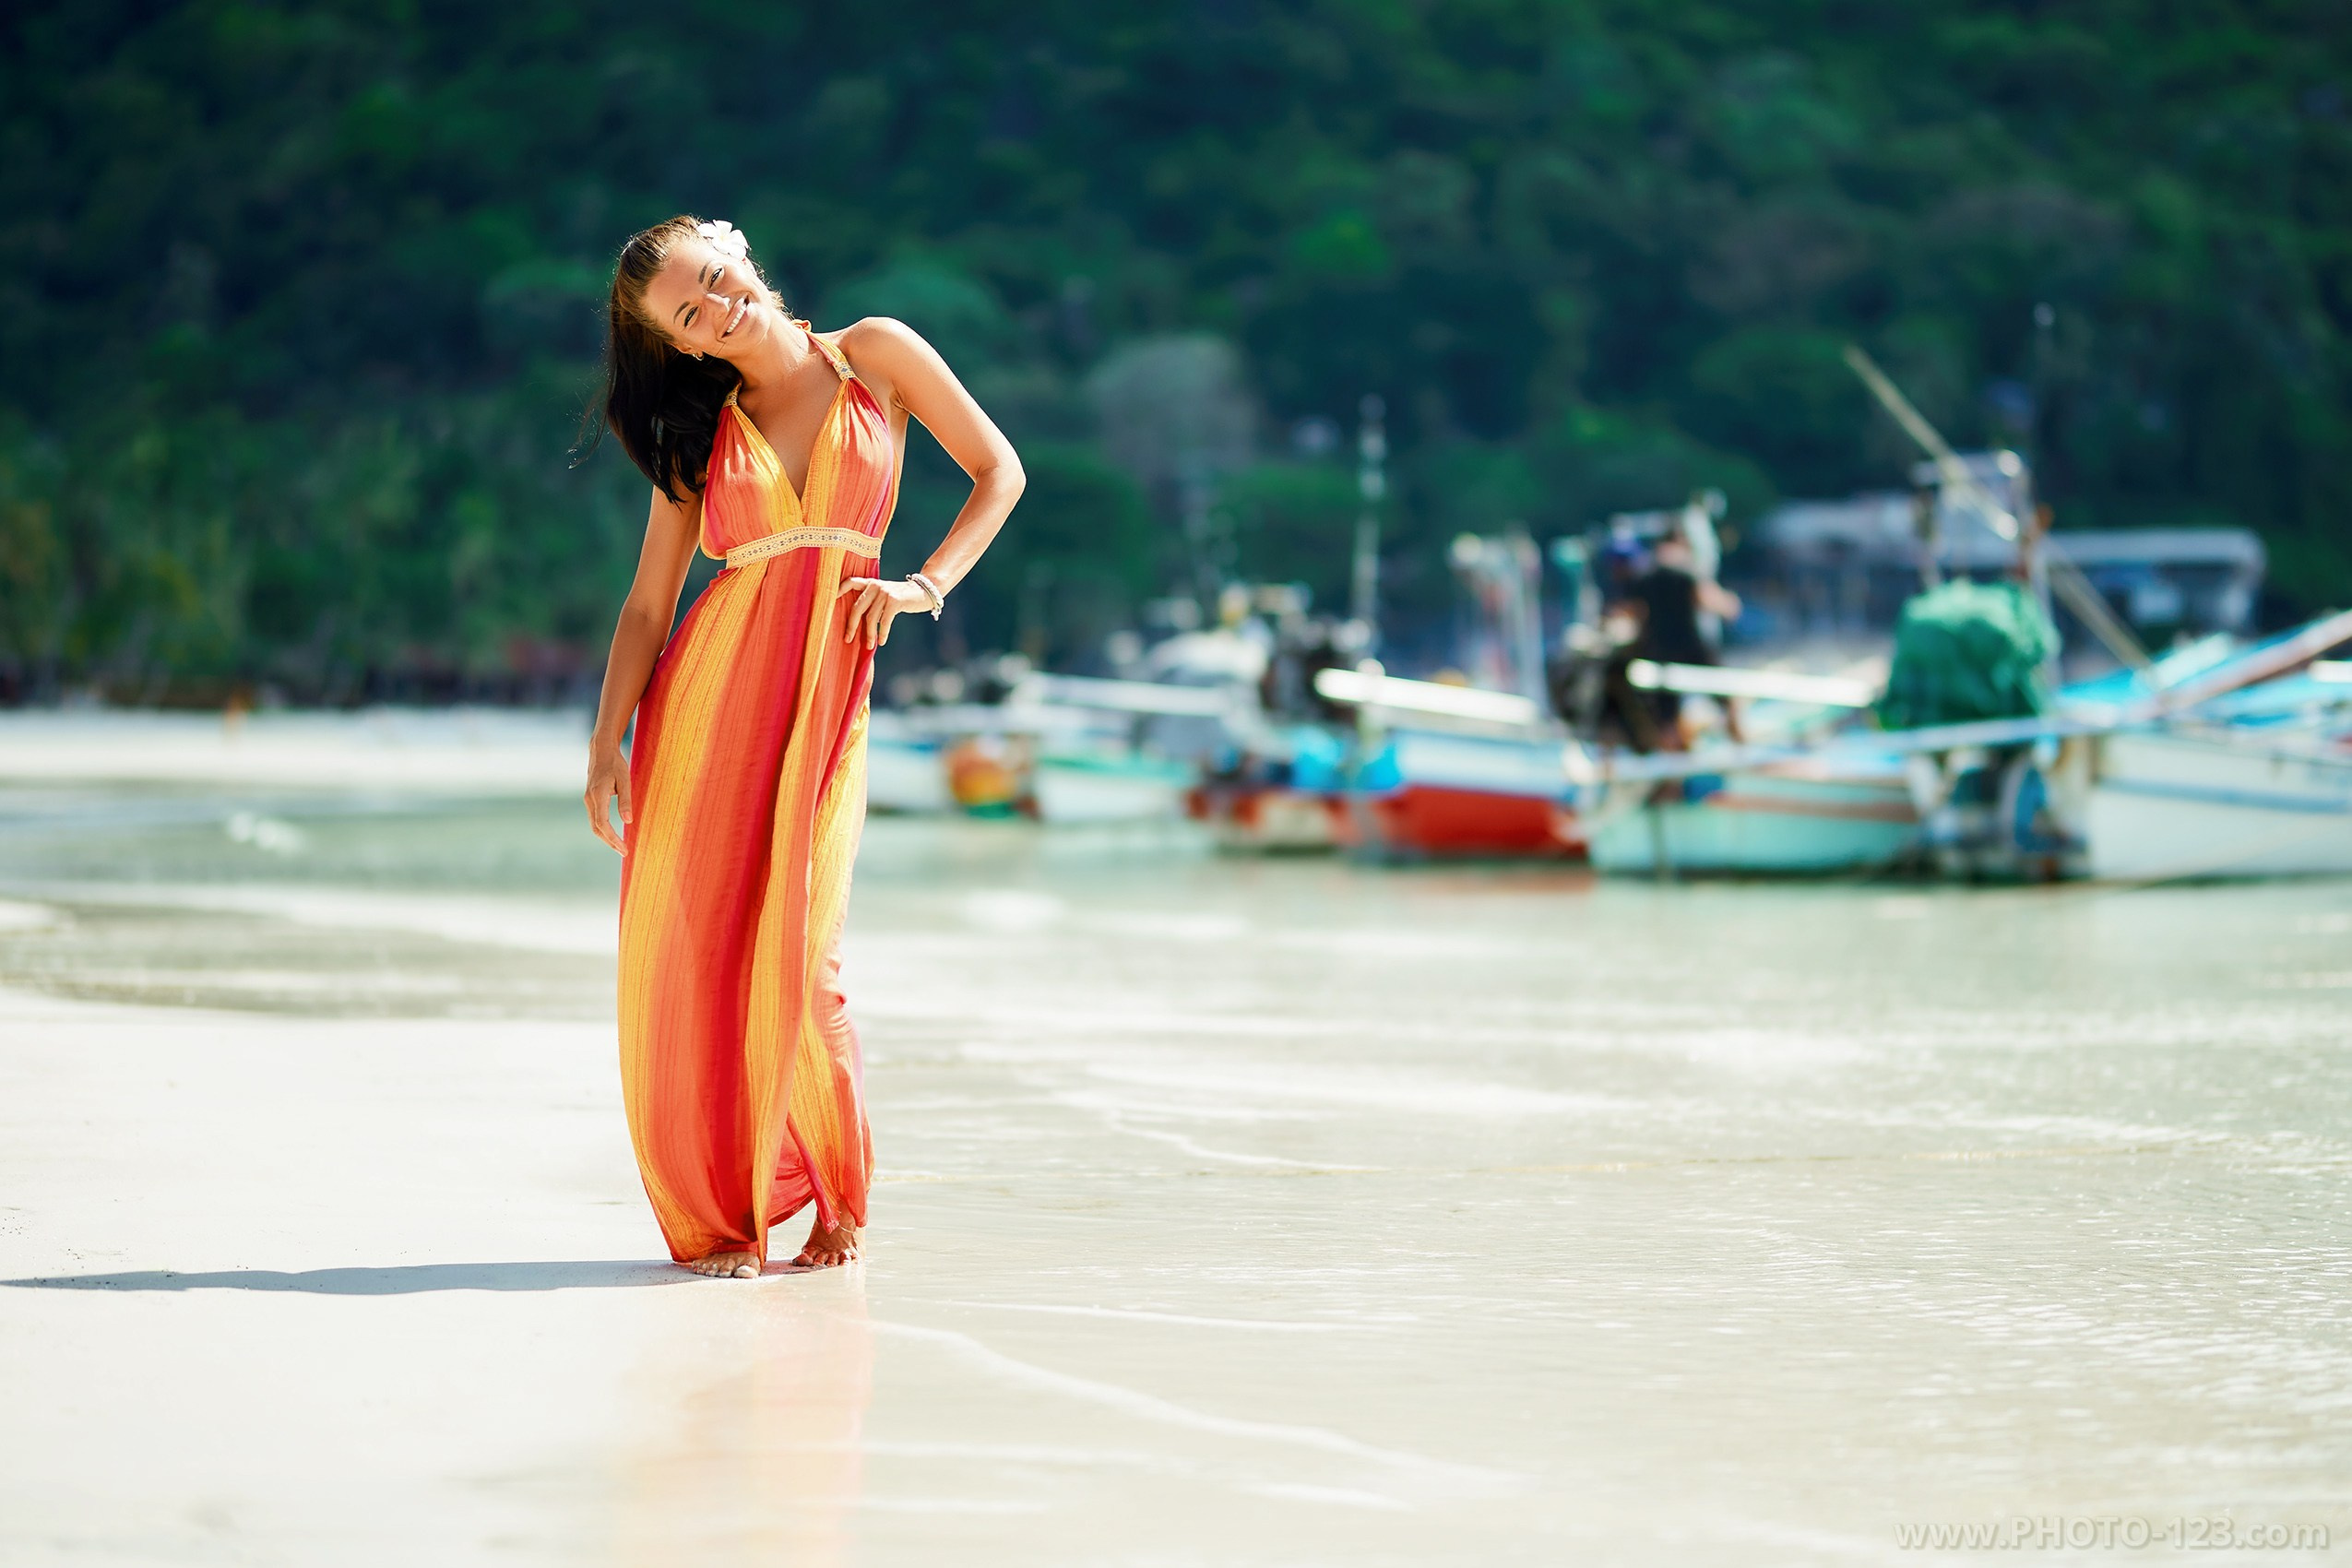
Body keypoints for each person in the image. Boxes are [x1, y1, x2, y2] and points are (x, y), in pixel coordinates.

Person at [581, 217, 1022, 1277]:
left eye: (716, 280)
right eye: (690, 313)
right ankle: (727, 1213)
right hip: (709, 707)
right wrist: (607, 748)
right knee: (712, 948)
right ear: (681, 344)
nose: (718, 307)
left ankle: (836, 1196)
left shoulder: (875, 353)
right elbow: (649, 606)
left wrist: (925, 585)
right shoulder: (698, 431)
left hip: (828, 690)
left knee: (806, 951)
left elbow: (997, 471)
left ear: (743, 259)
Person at [1622, 531, 1744, 746]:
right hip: (1691, 648)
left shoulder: (1644, 575)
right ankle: (1741, 749)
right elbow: (1714, 602)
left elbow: (1634, 614)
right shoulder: (1686, 571)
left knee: (1666, 718)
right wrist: (1730, 604)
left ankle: (1672, 771)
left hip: (1658, 652)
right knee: (1728, 701)